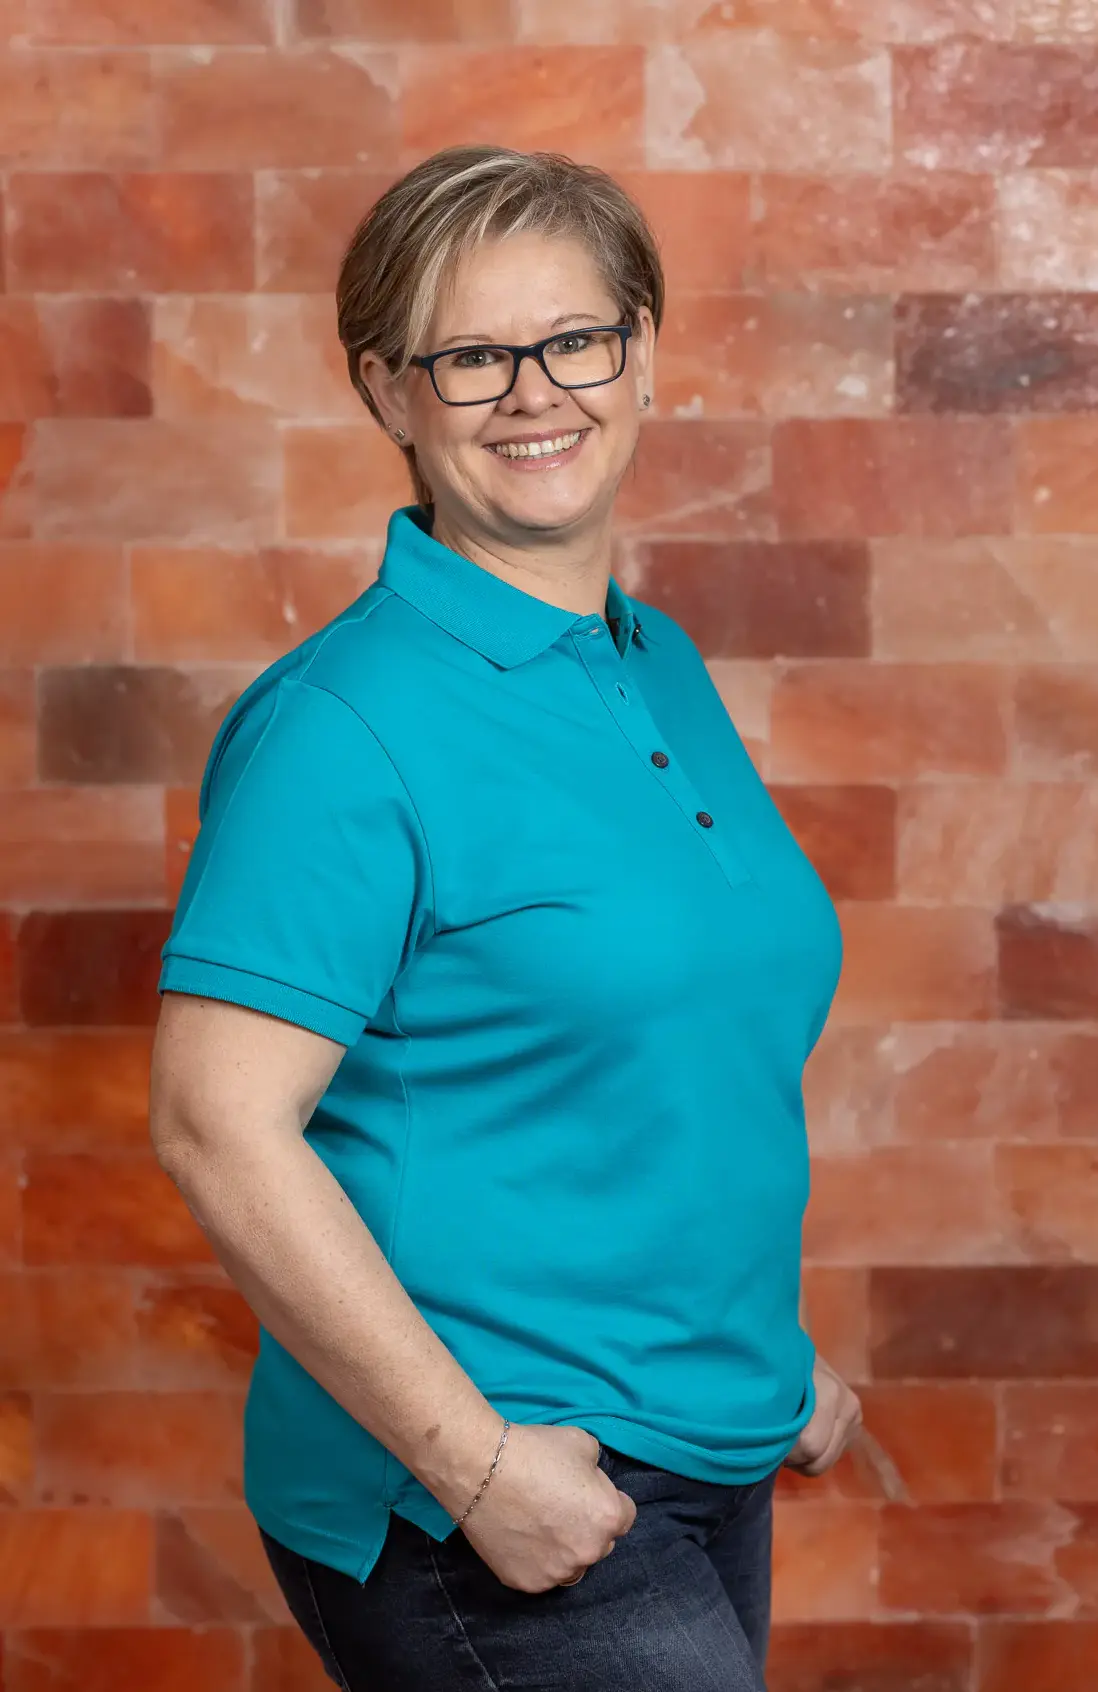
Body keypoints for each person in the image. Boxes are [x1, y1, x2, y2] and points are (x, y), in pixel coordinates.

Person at [148, 144, 862, 1692]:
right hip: (482, 1488)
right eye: (469, 357)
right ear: (387, 394)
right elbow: (216, 1125)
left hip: (700, 1447)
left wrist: (756, 1351)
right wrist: (475, 1466)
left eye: (575, 339)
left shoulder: (654, 661)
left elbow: (662, 1050)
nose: (535, 394)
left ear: (642, 355)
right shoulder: (341, 727)